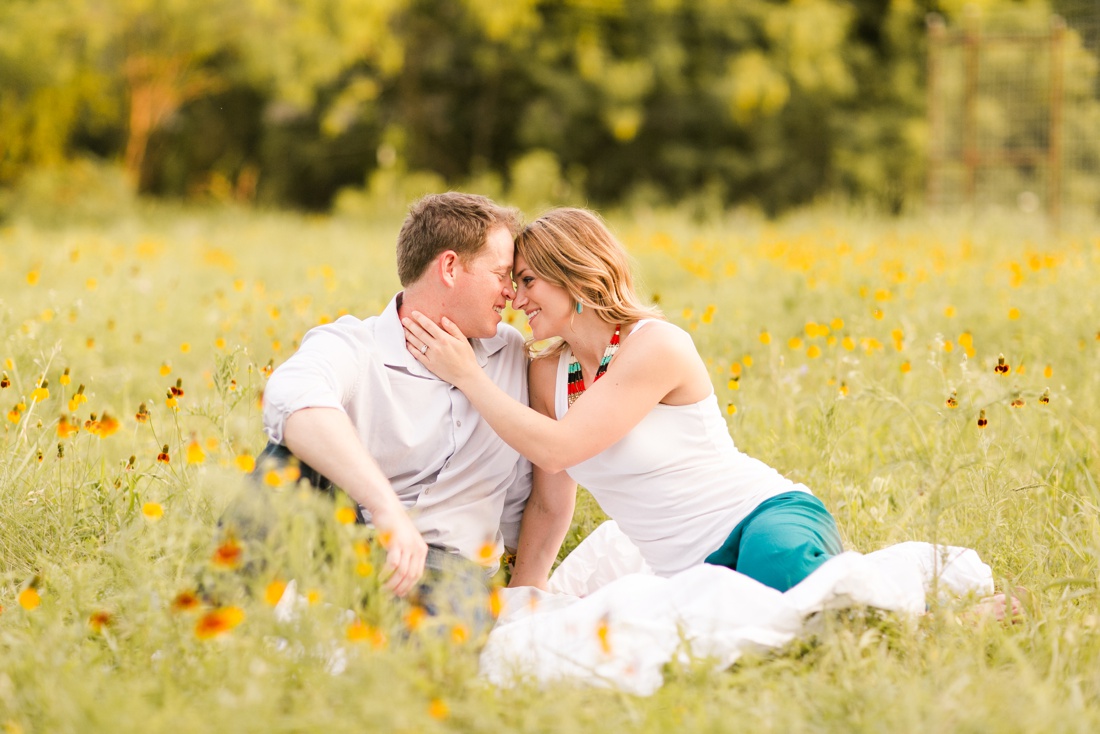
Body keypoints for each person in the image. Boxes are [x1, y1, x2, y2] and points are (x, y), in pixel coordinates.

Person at [401, 207, 843, 594]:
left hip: (759, 518)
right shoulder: (548, 372)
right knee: (726, 621)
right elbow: (550, 498)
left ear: (572, 275)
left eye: (528, 281)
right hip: (683, 569)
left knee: (783, 588)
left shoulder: (656, 346)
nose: (516, 300)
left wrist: (467, 374)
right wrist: (527, 589)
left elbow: (559, 447)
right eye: (514, 283)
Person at [254, 192, 532, 605]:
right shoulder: (355, 344)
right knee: (285, 458)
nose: (511, 293)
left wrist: (523, 577)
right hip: (354, 549)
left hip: (454, 574)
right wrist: (386, 509)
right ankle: (215, 618)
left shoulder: (514, 354)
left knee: (433, 650)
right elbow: (291, 397)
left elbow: (527, 486)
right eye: (501, 274)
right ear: (450, 267)